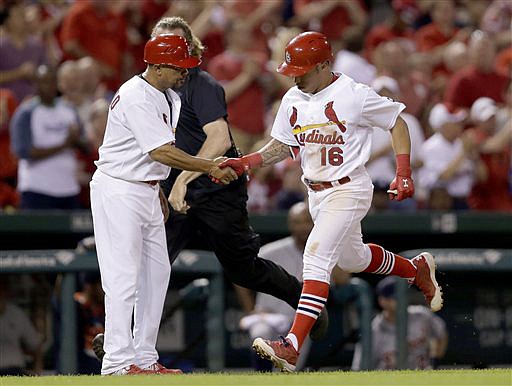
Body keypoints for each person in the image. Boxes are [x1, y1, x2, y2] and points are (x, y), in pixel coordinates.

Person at [219, 31, 444, 372]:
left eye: (302, 70)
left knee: (315, 256)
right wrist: (246, 162)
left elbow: (396, 121)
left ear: (324, 65)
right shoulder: (293, 98)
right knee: (354, 259)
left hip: (349, 187)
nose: (295, 76)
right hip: (316, 192)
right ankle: (415, 269)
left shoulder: (352, 94)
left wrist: (403, 170)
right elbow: (282, 145)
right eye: (292, 70)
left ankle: (292, 344)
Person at [152, 17, 328, 339]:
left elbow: (218, 140)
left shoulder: (202, 85)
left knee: (243, 270)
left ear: (191, 48)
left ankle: (302, 298)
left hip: (217, 186)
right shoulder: (145, 90)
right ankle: (124, 340)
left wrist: (182, 180)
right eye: (162, 45)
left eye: (178, 45)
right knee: (152, 263)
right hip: (172, 187)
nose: (170, 52)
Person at [89, 34, 237, 376]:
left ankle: (142, 356)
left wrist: (156, 187)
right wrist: (209, 165)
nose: (185, 72)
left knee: (157, 274)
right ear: (156, 67)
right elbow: (160, 151)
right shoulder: (134, 95)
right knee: (122, 277)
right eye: (178, 67)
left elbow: (152, 157)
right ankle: (117, 361)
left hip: (144, 188)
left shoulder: (169, 95)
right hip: (119, 189)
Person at [9, 65, 83, 210]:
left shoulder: (69, 110)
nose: (49, 86)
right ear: (36, 84)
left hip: (68, 188)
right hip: (36, 189)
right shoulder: (26, 113)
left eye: (52, 81)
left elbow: (85, 145)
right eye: (45, 82)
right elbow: (23, 152)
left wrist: (76, 140)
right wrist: (64, 145)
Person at [352, 276, 448, 370]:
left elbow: (441, 333)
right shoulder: (373, 331)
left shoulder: (421, 315)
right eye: (396, 298)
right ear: (382, 301)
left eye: (404, 296)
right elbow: (358, 368)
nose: (402, 301)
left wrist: (435, 361)